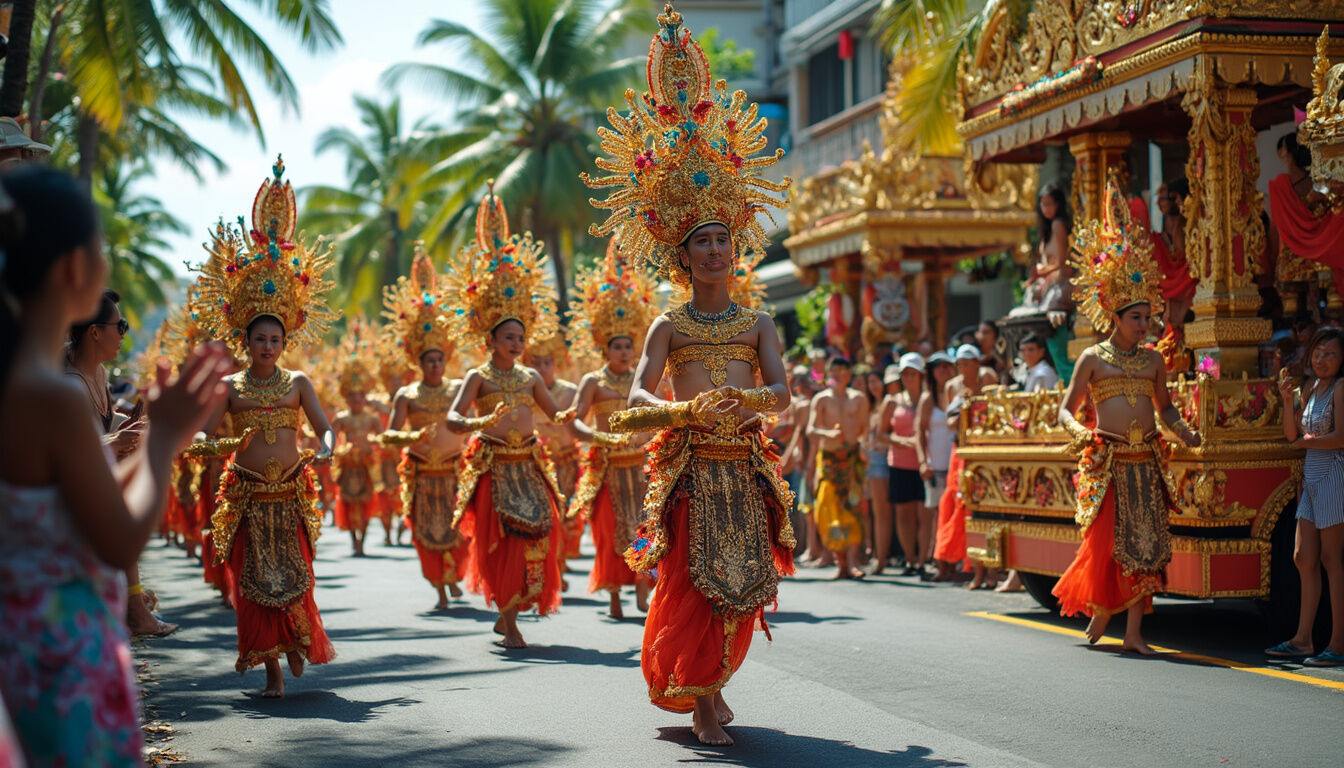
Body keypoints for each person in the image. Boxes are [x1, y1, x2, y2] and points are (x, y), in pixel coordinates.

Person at [585, 4, 794, 745]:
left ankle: (711, 681)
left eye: (723, 239)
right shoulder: (668, 325)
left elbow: (785, 394)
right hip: (687, 473)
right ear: (682, 254)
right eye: (702, 241)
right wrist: (683, 413)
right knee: (691, 586)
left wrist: (746, 398)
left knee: (744, 590)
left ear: (736, 249)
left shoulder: (758, 323)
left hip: (744, 469)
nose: (714, 251)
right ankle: (702, 700)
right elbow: (637, 396)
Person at [0, 164, 229, 765]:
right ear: (76, 268)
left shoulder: (28, 385)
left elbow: (82, 501)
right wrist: (164, 441)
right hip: (61, 657)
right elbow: (118, 535)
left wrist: (152, 440)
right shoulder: (49, 396)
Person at [192, 159, 338, 696]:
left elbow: (324, 429)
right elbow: (208, 435)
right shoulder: (229, 387)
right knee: (253, 583)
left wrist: (325, 448)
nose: (267, 347)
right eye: (259, 339)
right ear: (246, 341)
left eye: (275, 339)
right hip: (248, 495)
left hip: (293, 489)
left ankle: (298, 639)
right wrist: (229, 442)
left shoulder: (299, 381)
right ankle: (271, 666)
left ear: (285, 342)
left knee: (296, 573)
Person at [1053, 180, 1199, 654]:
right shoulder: (1092, 359)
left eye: (1147, 317)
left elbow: (1166, 407)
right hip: (1109, 459)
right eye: (1136, 317)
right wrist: (1080, 433)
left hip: (1147, 460)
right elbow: (1065, 408)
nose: (1144, 325)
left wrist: (1184, 430)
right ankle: (1101, 607)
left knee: (1149, 544)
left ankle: (1134, 634)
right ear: (1115, 317)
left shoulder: (1156, 360)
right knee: (1111, 543)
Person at [444, 185, 574, 649]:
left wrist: (591, 419)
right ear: (491, 340)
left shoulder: (531, 377)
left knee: (541, 535)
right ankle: (509, 616)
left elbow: (558, 415)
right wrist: (484, 423)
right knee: (501, 543)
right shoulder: (477, 378)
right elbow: (455, 422)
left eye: (521, 337)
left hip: (531, 465)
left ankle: (511, 609)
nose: (516, 343)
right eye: (508, 337)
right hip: (494, 467)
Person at [65, 289, 181, 638]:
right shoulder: (67, 383)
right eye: (121, 325)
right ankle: (134, 610)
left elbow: (101, 422)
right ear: (95, 332)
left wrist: (131, 423)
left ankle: (133, 605)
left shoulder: (96, 373)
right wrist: (111, 442)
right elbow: (66, 449)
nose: (124, 334)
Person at [567, 241, 660, 617]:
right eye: (617, 346)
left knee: (645, 530)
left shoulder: (643, 379)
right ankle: (614, 595)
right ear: (604, 349)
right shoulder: (593, 381)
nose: (624, 352)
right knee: (609, 535)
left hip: (641, 467)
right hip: (606, 469)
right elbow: (574, 421)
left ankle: (641, 587)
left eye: (629, 345)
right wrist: (598, 437)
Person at [380, 249, 473, 609]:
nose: (434, 364)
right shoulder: (406, 394)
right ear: (418, 362)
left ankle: (453, 577)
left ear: (445, 360)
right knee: (425, 534)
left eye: (439, 359)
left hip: (454, 470)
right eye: (428, 360)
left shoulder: (457, 388)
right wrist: (411, 438)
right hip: (421, 474)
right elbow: (390, 435)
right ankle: (439, 588)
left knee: (459, 534)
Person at [1267, 328, 1344, 666]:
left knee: (1331, 561)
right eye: (1318, 352)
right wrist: (1287, 402)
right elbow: (1291, 433)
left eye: (1330, 354)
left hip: (1333, 473)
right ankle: (1303, 640)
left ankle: (1338, 643)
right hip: (1311, 474)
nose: (1322, 359)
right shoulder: (1312, 388)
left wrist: (1305, 443)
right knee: (1302, 557)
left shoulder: (1341, 389)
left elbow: (1340, 437)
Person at [934, 344, 995, 585]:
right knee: (958, 505)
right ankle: (969, 567)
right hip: (961, 452)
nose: (963, 368)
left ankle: (988, 571)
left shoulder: (988, 377)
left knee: (985, 508)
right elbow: (950, 422)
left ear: (977, 363)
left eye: (967, 362)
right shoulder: (952, 386)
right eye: (959, 363)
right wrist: (961, 414)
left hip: (986, 451)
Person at [808, 357, 870, 579]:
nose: (838, 374)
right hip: (829, 460)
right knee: (828, 509)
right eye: (833, 371)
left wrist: (864, 449)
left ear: (849, 373)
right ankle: (841, 562)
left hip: (852, 458)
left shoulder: (859, 399)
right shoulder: (821, 399)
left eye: (842, 370)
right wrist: (828, 434)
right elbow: (810, 430)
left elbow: (865, 429)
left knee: (853, 509)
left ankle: (852, 563)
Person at [526, 333, 582, 568]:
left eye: (546, 362)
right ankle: (549, 564)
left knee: (566, 514)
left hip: (566, 463)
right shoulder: (524, 391)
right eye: (535, 362)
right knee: (542, 516)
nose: (541, 368)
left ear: (556, 363)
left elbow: (578, 426)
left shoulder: (570, 392)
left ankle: (559, 562)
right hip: (536, 465)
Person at [330, 330, 383, 558]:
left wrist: (372, 444)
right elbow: (331, 441)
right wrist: (343, 452)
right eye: (352, 396)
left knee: (367, 504)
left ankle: (363, 540)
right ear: (346, 397)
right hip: (348, 466)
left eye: (360, 396)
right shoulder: (341, 418)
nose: (356, 400)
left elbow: (383, 438)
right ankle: (354, 541)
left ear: (365, 397)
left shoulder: (371, 418)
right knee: (349, 504)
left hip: (366, 465)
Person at [888, 354, 929, 576]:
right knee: (904, 514)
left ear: (921, 375)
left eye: (913, 373)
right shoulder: (893, 400)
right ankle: (910, 560)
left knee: (924, 513)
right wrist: (901, 440)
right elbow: (880, 434)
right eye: (905, 373)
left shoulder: (930, 399)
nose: (908, 377)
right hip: (900, 463)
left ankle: (923, 560)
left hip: (925, 464)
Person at [918, 351, 956, 578]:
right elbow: (919, 432)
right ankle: (938, 561)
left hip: (955, 464)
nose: (944, 370)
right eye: (938, 366)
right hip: (935, 464)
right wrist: (924, 461)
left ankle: (951, 561)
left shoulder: (956, 393)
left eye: (947, 366)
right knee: (937, 515)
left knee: (953, 513)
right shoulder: (927, 399)